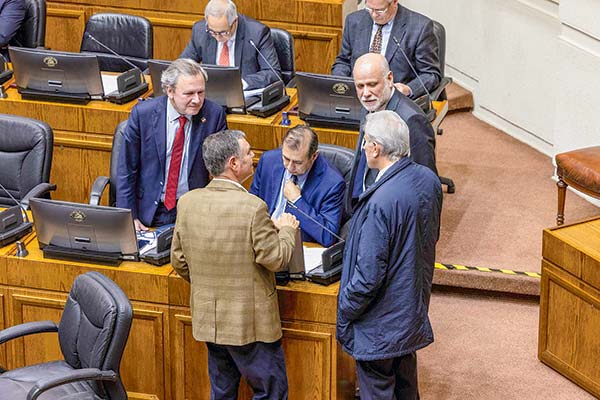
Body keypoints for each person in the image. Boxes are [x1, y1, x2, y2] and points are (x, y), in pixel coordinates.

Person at [171, 129, 299, 400]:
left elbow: (179, 260)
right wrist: (287, 229)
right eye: (249, 153)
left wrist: (210, 283)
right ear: (233, 163)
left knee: (223, 393)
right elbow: (275, 258)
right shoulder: (253, 207)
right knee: (270, 393)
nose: (254, 157)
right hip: (251, 324)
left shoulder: (188, 203)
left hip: (210, 320)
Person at [337, 110, 442, 399]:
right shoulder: (429, 180)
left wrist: (345, 306)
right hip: (410, 310)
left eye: (366, 141)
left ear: (376, 148)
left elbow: (368, 276)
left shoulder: (380, 201)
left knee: (378, 388)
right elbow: (431, 236)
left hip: (380, 322)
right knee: (406, 386)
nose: (362, 147)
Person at [116, 58, 227, 231]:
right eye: (189, 94)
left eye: (201, 92)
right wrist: (129, 215)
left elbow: (222, 171)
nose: (197, 100)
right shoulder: (143, 115)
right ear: (170, 91)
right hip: (148, 211)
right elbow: (127, 169)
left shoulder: (214, 115)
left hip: (193, 210)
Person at [346, 52, 437, 212]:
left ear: (389, 79)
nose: (365, 93)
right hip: (362, 204)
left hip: (389, 214)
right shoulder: (370, 105)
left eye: (372, 84)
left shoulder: (411, 120)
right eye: (360, 86)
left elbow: (425, 185)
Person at [250, 125, 345, 247]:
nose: (289, 167)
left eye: (298, 162)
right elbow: (252, 204)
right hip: (263, 238)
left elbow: (328, 236)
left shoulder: (332, 183)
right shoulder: (268, 160)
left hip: (299, 246)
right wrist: (268, 223)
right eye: (286, 158)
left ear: (314, 156)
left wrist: (297, 201)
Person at [331, 0, 440, 100]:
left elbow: (430, 74)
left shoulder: (420, 27)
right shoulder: (354, 21)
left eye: (380, 10)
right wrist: (341, 85)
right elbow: (343, 61)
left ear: (394, 2)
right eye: (369, 9)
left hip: (395, 101)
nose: (373, 15)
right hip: (358, 97)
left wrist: (408, 89)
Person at [180, 0, 281, 90]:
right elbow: (182, 65)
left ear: (235, 21)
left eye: (224, 32)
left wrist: (242, 83)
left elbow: (273, 72)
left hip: (244, 97)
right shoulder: (200, 30)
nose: (218, 38)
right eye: (213, 32)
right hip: (212, 95)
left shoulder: (257, 33)